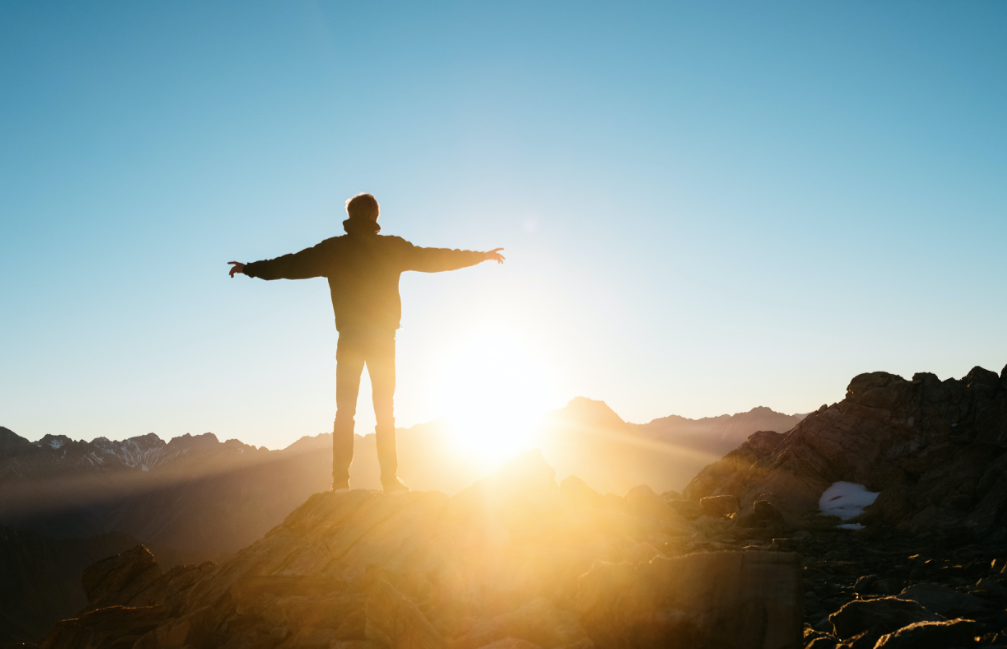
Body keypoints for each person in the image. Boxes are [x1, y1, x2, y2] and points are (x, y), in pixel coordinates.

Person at [228, 193, 504, 494]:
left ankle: (340, 482)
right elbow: (437, 258)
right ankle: (389, 481)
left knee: (345, 411)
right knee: (385, 409)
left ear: (350, 215)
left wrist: (249, 268)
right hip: (383, 339)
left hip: (350, 338)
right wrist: (480, 255)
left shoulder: (334, 249)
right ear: (375, 216)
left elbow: (290, 265)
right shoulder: (392, 248)